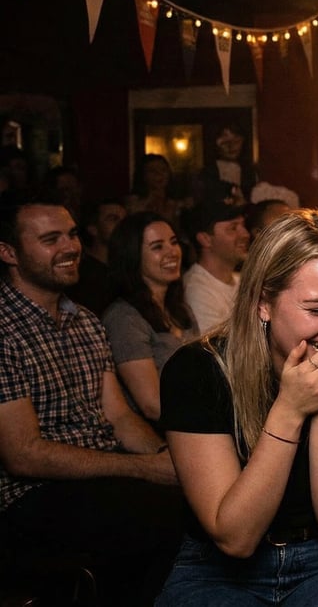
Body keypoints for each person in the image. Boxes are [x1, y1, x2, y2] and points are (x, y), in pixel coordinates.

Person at [156, 209, 318, 605]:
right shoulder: (197, 372)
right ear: (262, 304)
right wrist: (290, 408)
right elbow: (236, 538)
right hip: (217, 569)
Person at [0, 193, 182, 605]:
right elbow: (22, 454)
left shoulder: (84, 320)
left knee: (201, 499)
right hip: (32, 494)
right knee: (168, 520)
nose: (70, 247)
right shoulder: (4, 328)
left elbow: (117, 415)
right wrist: (144, 470)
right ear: (9, 252)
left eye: (71, 234)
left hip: (104, 476)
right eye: (50, 240)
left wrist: (163, 455)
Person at [102, 212, 197, 423]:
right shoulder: (124, 318)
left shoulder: (180, 310)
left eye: (174, 242)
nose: (172, 252)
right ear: (132, 256)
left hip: (196, 423)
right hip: (160, 431)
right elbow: (153, 405)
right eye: (157, 247)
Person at [183, 197, 250, 335]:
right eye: (233, 228)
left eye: (243, 226)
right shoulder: (196, 290)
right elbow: (216, 352)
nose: (245, 234)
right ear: (205, 239)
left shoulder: (243, 280)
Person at [68, 196, 127, 315]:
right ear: (93, 229)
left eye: (125, 219)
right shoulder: (82, 274)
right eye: (113, 219)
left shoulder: (123, 268)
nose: (123, 225)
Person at [126, 153, 193, 225]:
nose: (159, 174)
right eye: (152, 171)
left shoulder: (179, 203)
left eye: (163, 170)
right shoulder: (133, 204)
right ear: (143, 175)